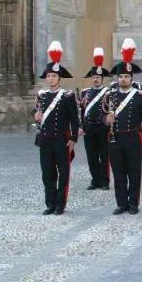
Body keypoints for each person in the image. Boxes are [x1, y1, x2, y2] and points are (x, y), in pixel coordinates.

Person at [33, 41, 79, 215]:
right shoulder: (42, 95)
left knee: (63, 173)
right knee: (47, 173)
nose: (50, 78)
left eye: (53, 76)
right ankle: (50, 203)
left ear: (59, 78)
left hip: (61, 139)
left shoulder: (67, 96)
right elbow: (36, 111)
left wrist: (73, 138)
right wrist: (34, 116)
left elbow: (74, 119)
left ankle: (60, 204)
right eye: (48, 76)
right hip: (45, 139)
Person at [106, 38, 142, 215]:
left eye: (126, 77)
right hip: (115, 138)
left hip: (132, 137)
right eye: (121, 76)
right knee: (118, 172)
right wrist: (105, 120)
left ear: (131, 78)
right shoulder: (111, 96)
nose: (123, 79)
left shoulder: (139, 96)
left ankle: (133, 204)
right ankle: (121, 203)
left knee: (134, 172)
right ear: (117, 78)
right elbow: (102, 115)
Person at [80, 47, 111, 190]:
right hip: (89, 127)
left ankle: (104, 181)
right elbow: (82, 110)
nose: (95, 80)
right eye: (93, 78)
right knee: (91, 155)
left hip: (103, 127)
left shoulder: (108, 92)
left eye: (98, 78)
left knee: (104, 156)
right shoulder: (85, 92)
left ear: (102, 79)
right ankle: (95, 180)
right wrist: (81, 126)